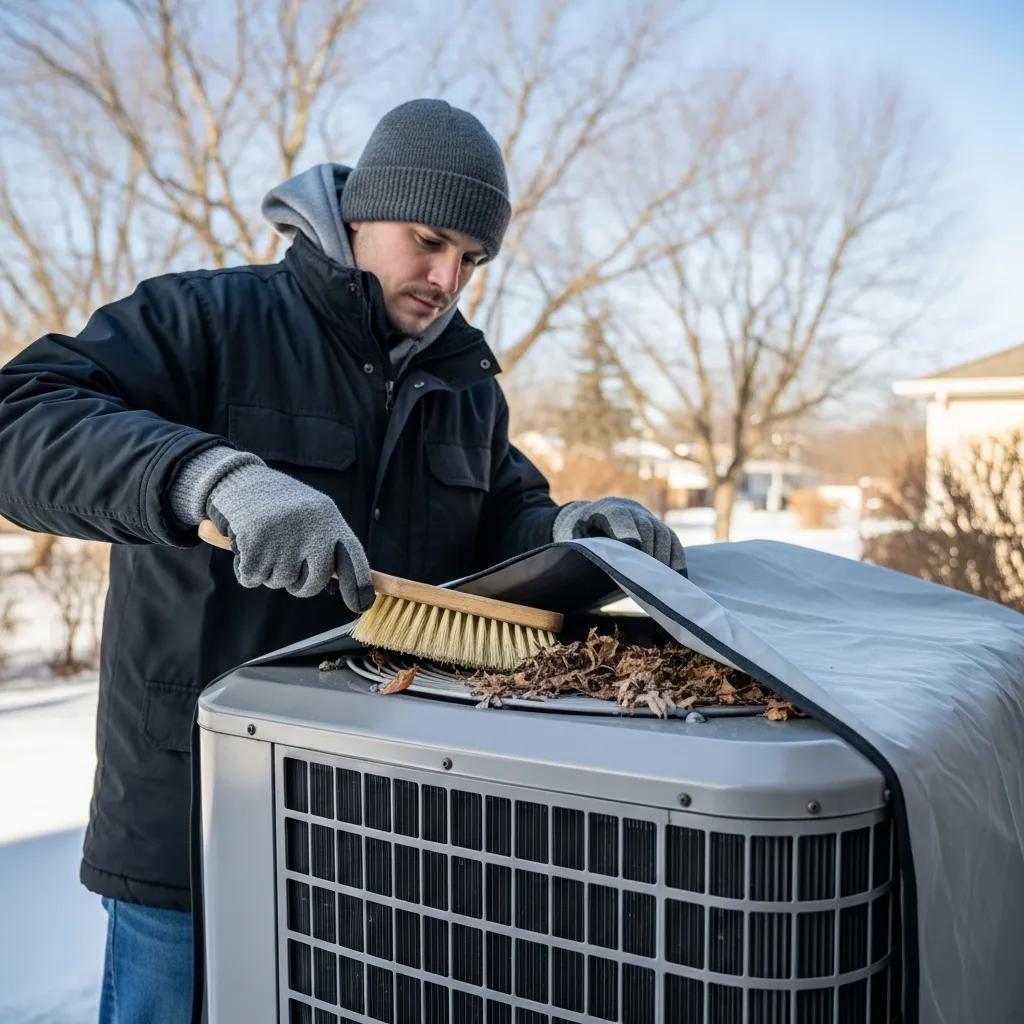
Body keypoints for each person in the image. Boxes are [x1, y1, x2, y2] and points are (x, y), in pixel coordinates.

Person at [0, 98, 685, 1021]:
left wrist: (578, 531)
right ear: (358, 213)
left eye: (472, 260)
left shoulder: (464, 390)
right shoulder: (208, 320)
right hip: (194, 806)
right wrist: (207, 476)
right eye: (430, 240)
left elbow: (509, 521)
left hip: (379, 821)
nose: (447, 279)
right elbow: (21, 419)